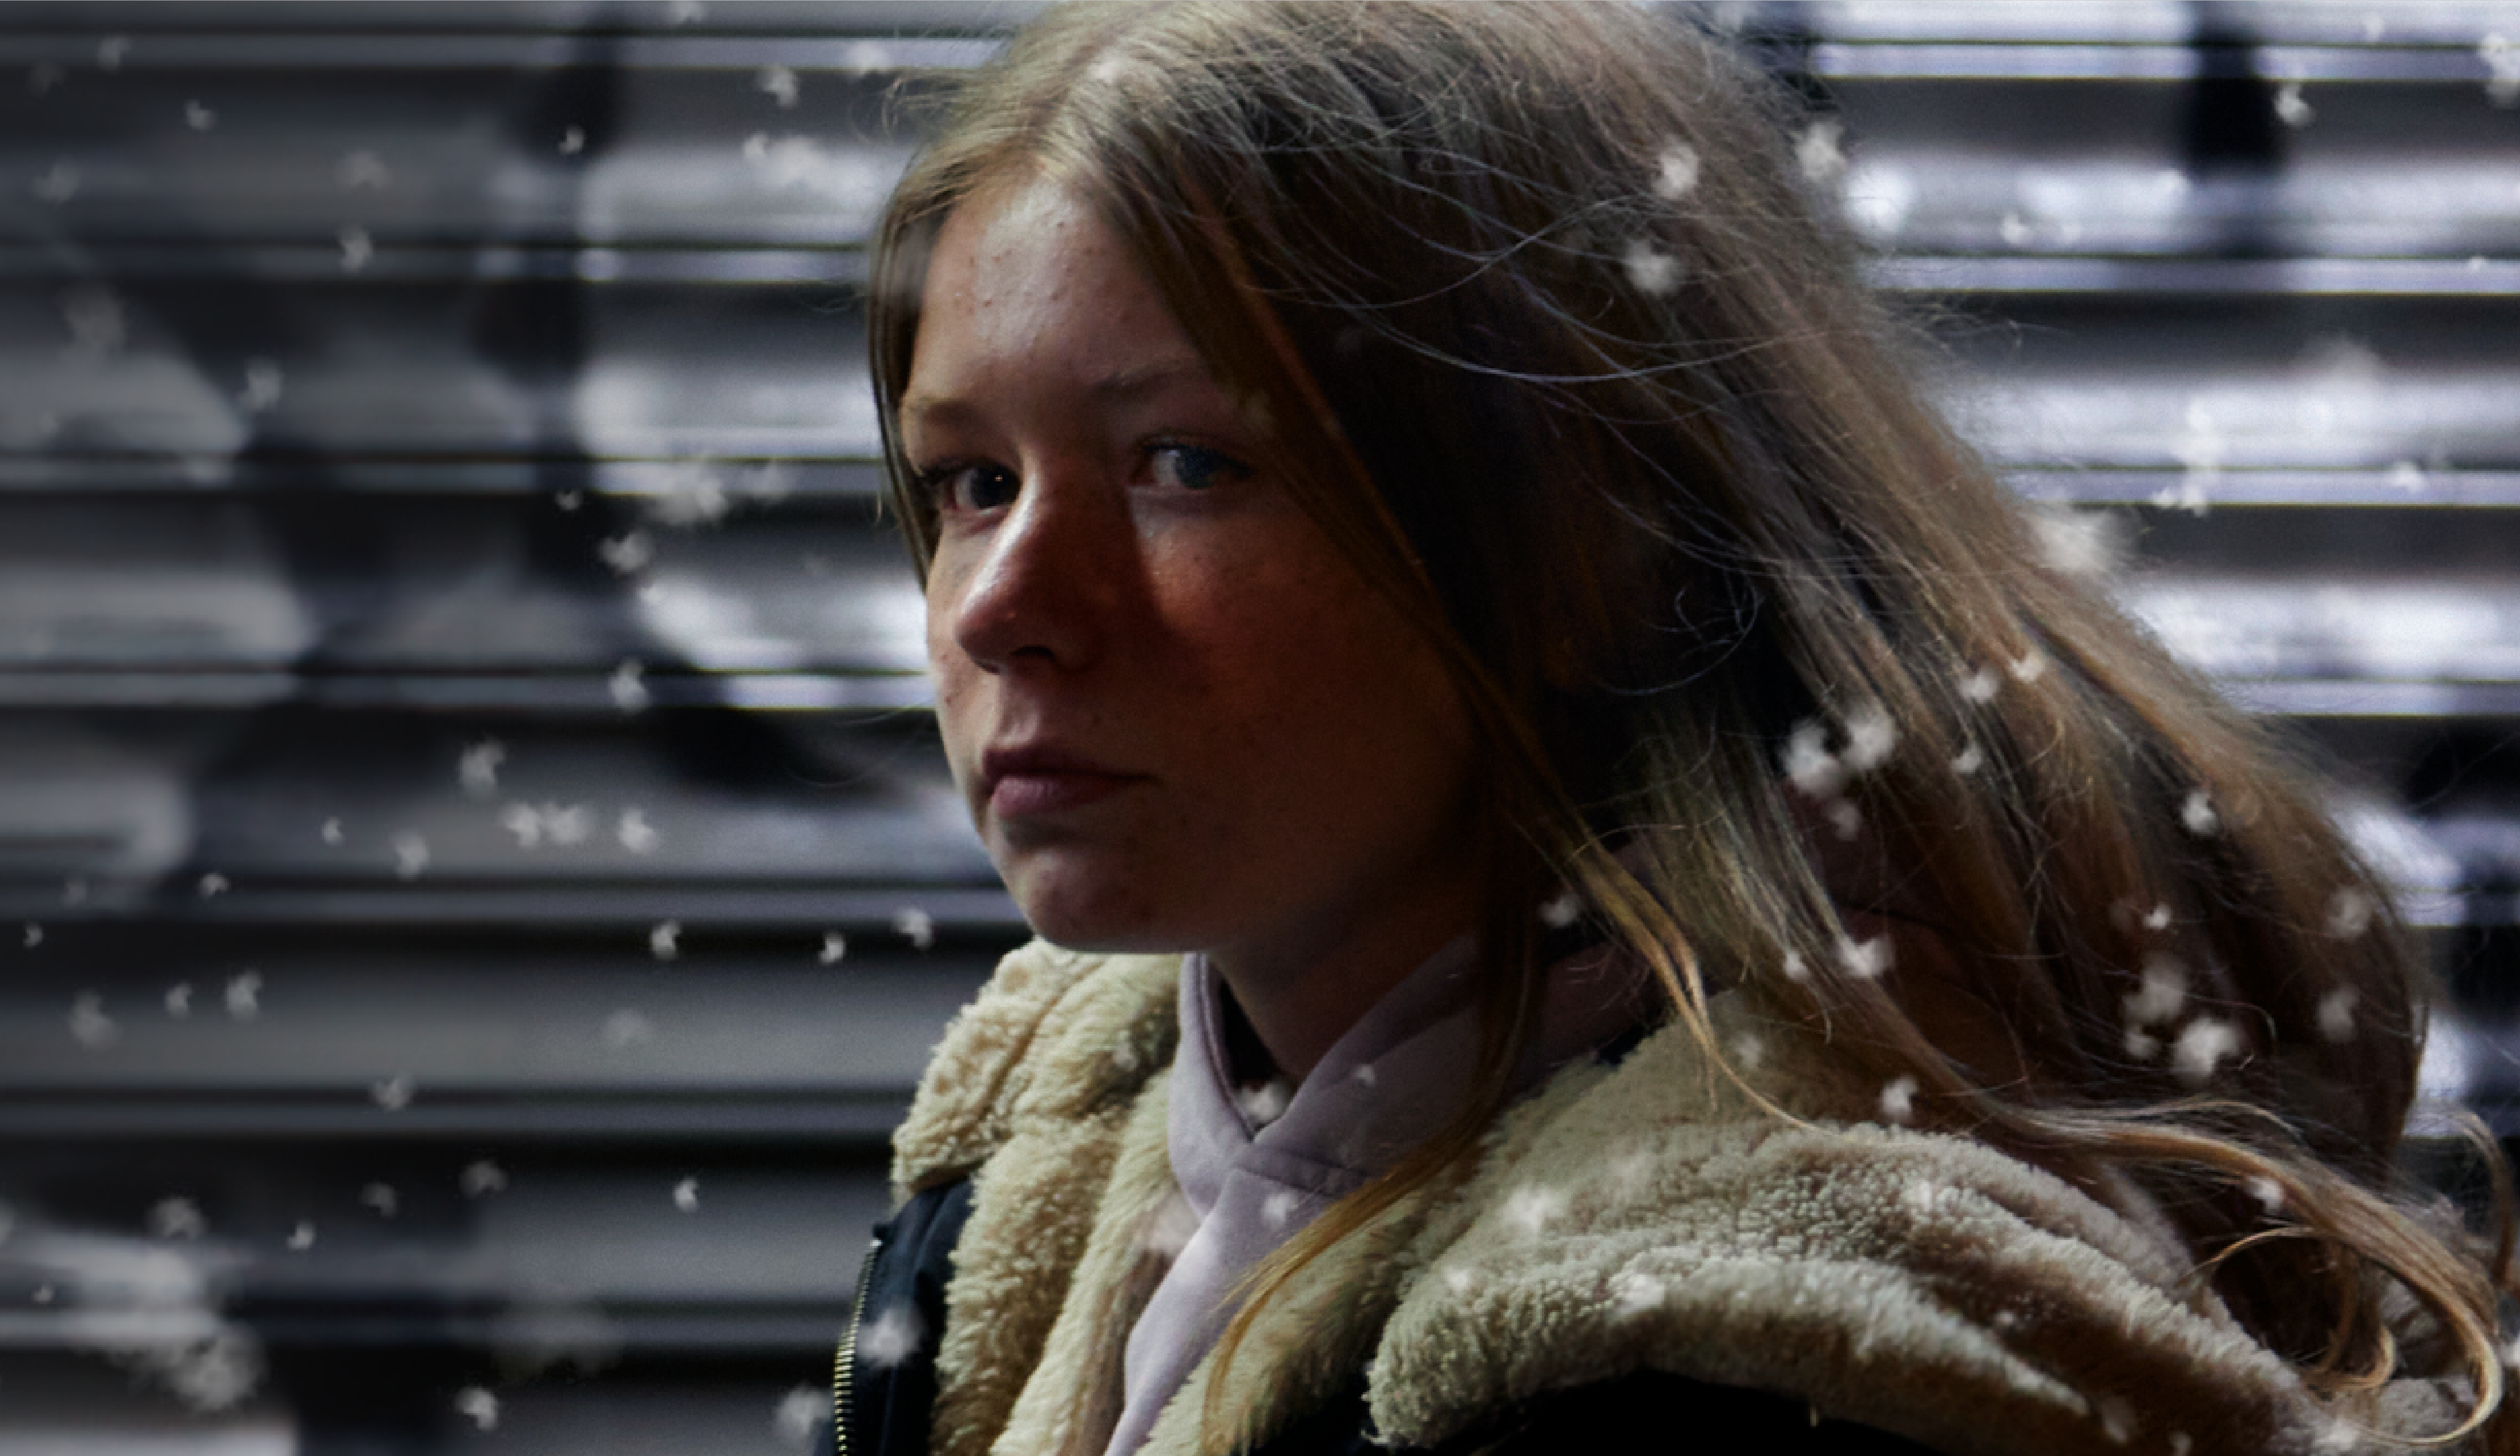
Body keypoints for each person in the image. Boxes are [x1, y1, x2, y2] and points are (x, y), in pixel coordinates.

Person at [820, 4, 2518, 1455]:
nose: (1001, 604)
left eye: (1187, 463)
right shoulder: (1026, 1184)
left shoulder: (1763, 1368)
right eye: (973, 481)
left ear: (1587, 539)